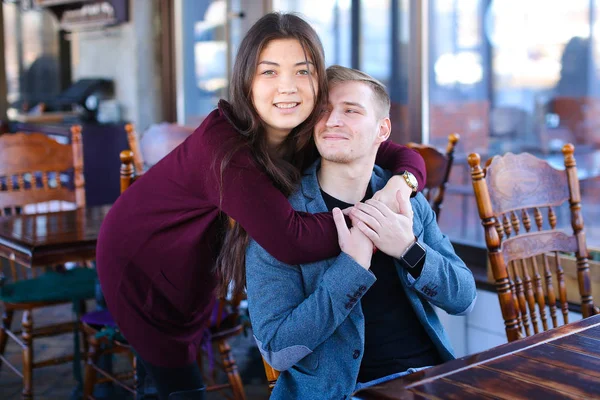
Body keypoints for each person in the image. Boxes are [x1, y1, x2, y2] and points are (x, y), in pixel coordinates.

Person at [95, 13, 426, 400]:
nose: (287, 87)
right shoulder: (223, 145)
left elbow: (400, 154)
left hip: (197, 253)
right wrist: (376, 222)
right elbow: (291, 240)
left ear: (318, 79)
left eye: (302, 71)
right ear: (246, 82)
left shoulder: (307, 127)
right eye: (269, 72)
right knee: (178, 384)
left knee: (194, 335)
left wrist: (399, 188)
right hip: (139, 257)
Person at [245, 65, 477, 399]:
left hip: (428, 379)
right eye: (322, 110)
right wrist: (351, 269)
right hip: (341, 392)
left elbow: (464, 299)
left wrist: (409, 249)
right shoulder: (281, 216)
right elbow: (277, 349)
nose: (332, 120)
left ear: (382, 129)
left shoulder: (405, 201)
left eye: (351, 110)